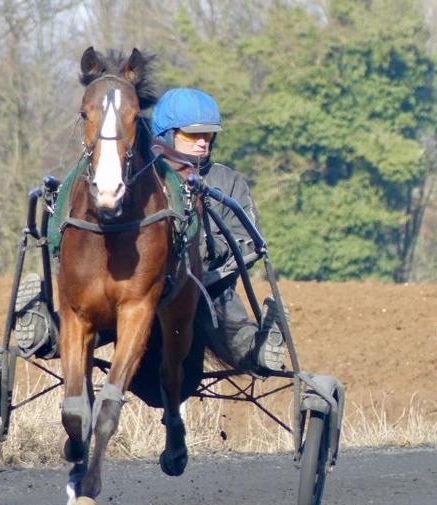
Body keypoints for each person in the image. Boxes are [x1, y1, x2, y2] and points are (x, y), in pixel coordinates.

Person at [15, 88, 287, 371]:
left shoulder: (228, 180)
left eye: (208, 135)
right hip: (136, 279)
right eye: (192, 135)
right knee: (98, 308)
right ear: (167, 134)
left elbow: (246, 240)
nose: (203, 143)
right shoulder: (141, 178)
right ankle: (44, 331)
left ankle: (260, 350)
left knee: (221, 307)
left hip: (204, 282)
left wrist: (204, 253)